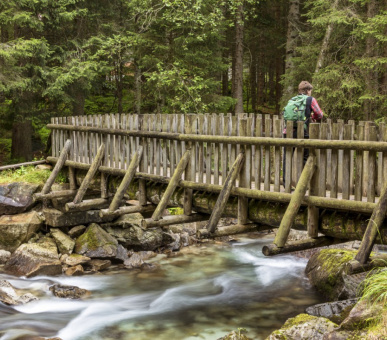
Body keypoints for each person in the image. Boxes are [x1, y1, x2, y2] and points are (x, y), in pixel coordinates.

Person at [282, 81, 324, 188]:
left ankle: (286, 184)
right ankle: (303, 185)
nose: (310, 92)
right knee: (305, 158)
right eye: (310, 90)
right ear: (307, 91)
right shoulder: (310, 99)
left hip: (288, 132)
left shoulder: (292, 100)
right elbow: (320, 114)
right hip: (303, 132)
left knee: (288, 157)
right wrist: (313, 117)